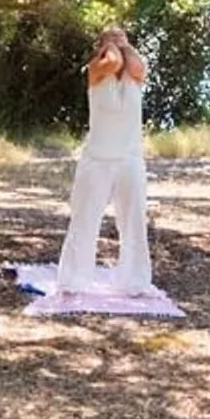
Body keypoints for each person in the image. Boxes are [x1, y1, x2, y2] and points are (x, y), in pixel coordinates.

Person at [54, 24, 152, 294]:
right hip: (97, 159)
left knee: (133, 221)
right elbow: (113, 62)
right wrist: (111, 45)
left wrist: (124, 43)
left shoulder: (135, 75)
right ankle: (73, 281)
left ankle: (135, 281)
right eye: (111, 37)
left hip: (129, 158)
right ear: (101, 45)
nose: (117, 41)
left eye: (122, 36)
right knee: (84, 220)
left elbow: (136, 66)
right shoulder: (95, 71)